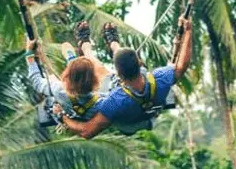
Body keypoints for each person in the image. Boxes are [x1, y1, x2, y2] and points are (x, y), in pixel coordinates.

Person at [60, 18, 194, 139]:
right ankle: (114, 44)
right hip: (148, 120)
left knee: (98, 67)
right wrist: (188, 31)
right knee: (123, 56)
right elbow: (181, 65)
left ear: (118, 74)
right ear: (139, 64)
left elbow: (87, 131)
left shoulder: (115, 101)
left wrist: (63, 117)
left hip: (128, 126)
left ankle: (85, 45)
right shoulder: (160, 78)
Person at [26, 22, 115, 120]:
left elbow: (36, 81)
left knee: (54, 74)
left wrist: (29, 52)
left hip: (67, 102)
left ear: (66, 75)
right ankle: (83, 49)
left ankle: (78, 51)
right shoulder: (102, 99)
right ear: (96, 80)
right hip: (87, 104)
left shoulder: (58, 89)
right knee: (93, 64)